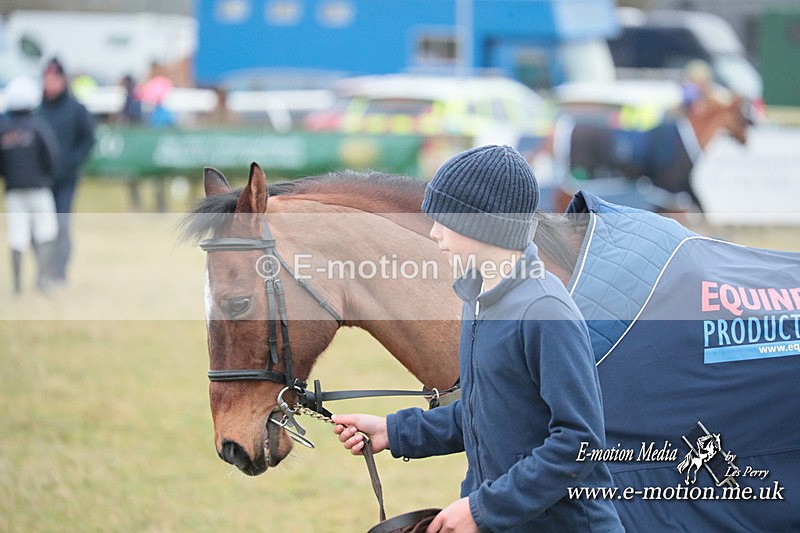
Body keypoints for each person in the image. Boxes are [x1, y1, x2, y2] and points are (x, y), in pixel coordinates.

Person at [333, 145, 624, 532]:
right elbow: (482, 411)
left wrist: (482, 509)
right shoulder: (476, 298)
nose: (434, 234)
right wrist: (393, 431)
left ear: (485, 225)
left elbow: (577, 443)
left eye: (445, 220)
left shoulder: (544, 310)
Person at [0, 75, 60, 294]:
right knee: (46, 230)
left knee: (17, 235)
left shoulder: (3, 129)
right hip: (39, 188)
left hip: (13, 191)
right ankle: (43, 280)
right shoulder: (38, 126)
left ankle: (17, 286)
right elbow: (52, 156)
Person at [39, 57, 96, 284]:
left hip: (66, 179)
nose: (51, 83)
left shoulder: (76, 109)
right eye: (47, 78)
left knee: (61, 226)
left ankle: (59, 273)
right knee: (42, 229)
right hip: (41, 179)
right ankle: (43, 271)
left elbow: (88, 140)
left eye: (55, 79)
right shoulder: (37, 110)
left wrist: (71, 162)